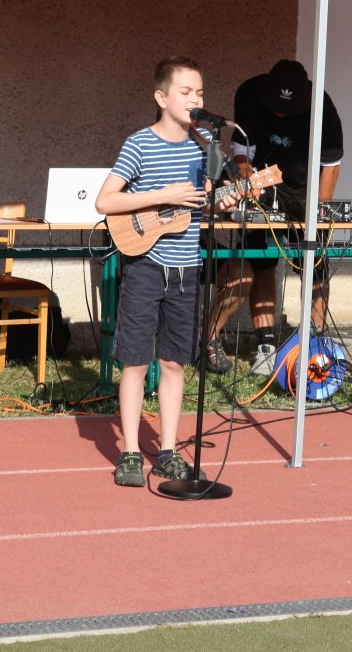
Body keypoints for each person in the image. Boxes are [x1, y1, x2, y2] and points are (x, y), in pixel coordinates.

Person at [95, 56, 240, 488]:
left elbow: (204, 202)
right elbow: (106, 201)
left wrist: (223, 202)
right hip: (144, 266)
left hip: (187, 268)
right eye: (186, 92)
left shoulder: (205, 147)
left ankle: (168, 451)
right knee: (136, 361)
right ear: (161, 97)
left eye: (200, 93)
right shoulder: (140, 144)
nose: (195, 100)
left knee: (174, 362)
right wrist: (163, 195)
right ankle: (130, 452)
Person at [205, 59, 344, 376]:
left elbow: (331, 164)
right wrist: (244, 180)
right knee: (261, 262)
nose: (281, 113)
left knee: (315, 265)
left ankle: (315, 345)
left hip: (305, 190)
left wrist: (319, 212)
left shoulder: (323, 107)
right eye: (276, 106)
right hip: (263, 188)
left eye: (288, 108)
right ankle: (266, 347)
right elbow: (242, 149)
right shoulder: (249, 94)